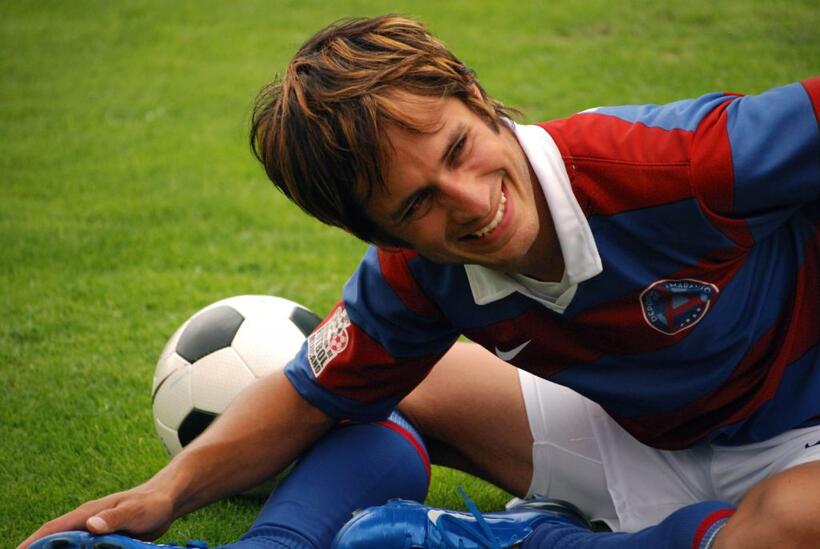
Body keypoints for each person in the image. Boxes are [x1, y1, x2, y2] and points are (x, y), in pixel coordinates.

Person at [20, 14, 819, 549]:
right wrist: (166, 491)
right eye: (418, 203)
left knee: (789, 524)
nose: (472, 205)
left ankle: (533, 537)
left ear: (475, 97)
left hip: (799, 447)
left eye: (457, 149)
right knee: (407, 382)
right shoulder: (417, 272)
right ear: (380, 231)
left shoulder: (683, 158)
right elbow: (311, 392)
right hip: (643, 436)